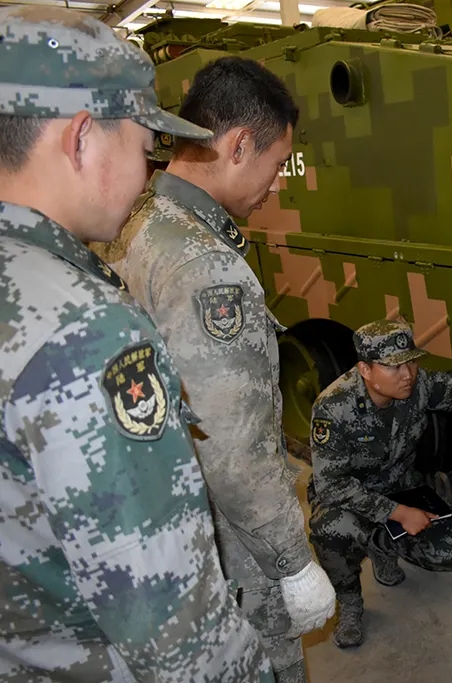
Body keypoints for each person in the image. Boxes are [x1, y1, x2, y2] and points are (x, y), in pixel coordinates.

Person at [0, 6, 276, 681]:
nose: (151, 165)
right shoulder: (84, 331)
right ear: (83, 137)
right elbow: (177, 630)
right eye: (144, 140)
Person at [89, 56, 334, 682]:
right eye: (277, 164)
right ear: (239, 144)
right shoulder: (207, 269)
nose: (277, 184)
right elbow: (234, 447)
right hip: (226, 553)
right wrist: (293, 561)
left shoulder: (130, 225)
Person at [308, 319, 452, 648]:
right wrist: (398, 514)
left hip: (402, 487)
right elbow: (332, 486)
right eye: (394, 367)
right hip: (351, 499)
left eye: (411, 361)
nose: (408, 373)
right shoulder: (333, 407)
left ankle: (381, 547)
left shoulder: (418, 385)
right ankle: (350, 604)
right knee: (329, 530)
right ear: (365, 370)